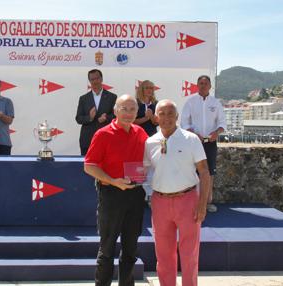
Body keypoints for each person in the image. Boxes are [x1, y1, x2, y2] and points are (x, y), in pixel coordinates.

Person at [84, 94, 148, 286]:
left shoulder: (141, 132)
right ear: (115, 110)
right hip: (111, 195)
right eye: (124, 109)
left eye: (132, 109)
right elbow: (89, 166)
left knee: (130, 249)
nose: (129, 113)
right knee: (107, 249)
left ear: (138, 112)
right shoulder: (102, 134)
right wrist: (113, 181)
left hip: (136, 195)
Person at [145, 99, 210, 286]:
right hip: (160, 202)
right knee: (164, 255)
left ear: (177, 116)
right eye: (162, 114)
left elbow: (204, 172)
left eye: (170, 113)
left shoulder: (191, 139)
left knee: (189, 254)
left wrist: (202, 204)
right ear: (156, 118)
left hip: (188, 199)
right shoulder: (149, 142)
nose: (166, 118)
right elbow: (143, 171)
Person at [180, 75, 226, 212]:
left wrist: (216, 133)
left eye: (206, 83)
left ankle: (207, 203)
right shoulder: (190, 102)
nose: (203, 85)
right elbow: (184, 123)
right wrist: (194, 134)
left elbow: (222, 123)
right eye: (201, 83)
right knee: (192, 172)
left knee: (209, 172)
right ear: (197, 85)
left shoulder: (216, 103)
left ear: (210, 86)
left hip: (210, 143)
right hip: (194, 143)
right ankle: (191, 203)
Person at [75, 69, 117, 155]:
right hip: (87, 140)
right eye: (92, 79)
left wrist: (106, 118)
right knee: (87, 167)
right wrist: (89, 117)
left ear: (101, 79)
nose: (95, 81)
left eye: (97, 78)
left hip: (107, 138)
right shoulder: (83, 98)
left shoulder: (112, 97)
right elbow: (78, 118)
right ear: (89, 81)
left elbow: (116, 116)